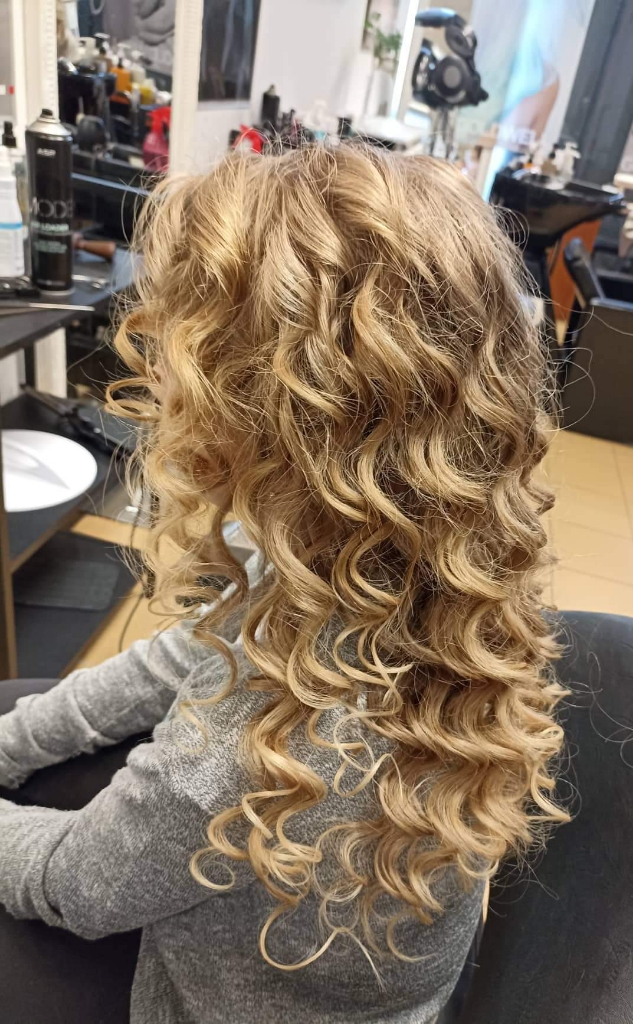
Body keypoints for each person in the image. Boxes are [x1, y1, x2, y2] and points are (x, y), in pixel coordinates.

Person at [0, 144, 568, 1024]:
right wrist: (14, 741)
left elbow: (77, 884)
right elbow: (176, 659)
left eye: (172, 339)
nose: (151, 365)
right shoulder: (432, 568)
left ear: (267, 408)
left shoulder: (242, 745)